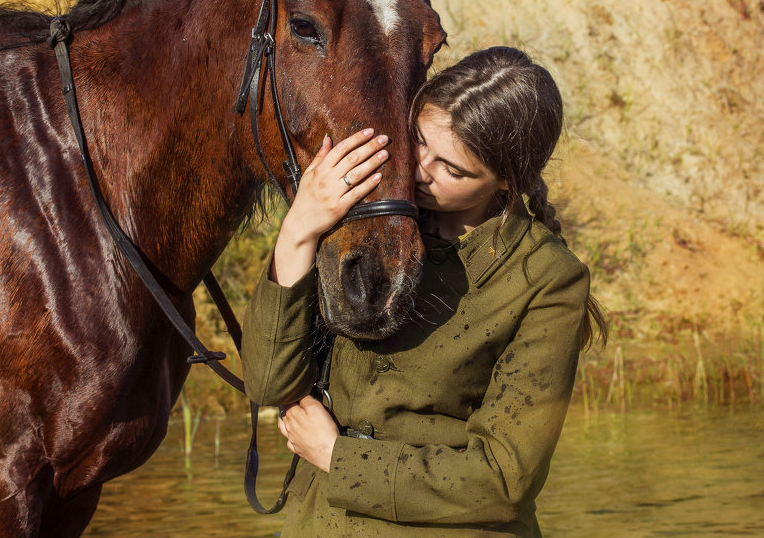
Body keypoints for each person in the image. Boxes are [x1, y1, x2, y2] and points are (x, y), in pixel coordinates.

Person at [242, 46, 607, 537]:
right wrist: (299, 231)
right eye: (418, 141)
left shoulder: (546, 278)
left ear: (506, 179)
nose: (418, 171)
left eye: (452, 169)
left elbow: (503, 479)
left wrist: (337, 456)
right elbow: (268, 386)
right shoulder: (359, 218)